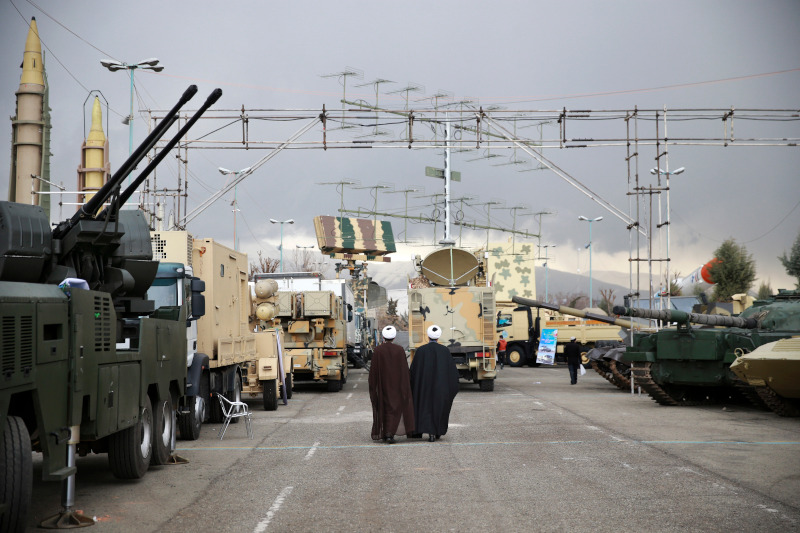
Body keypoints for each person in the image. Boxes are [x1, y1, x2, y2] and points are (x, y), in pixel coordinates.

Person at [409, 324, 459, 442]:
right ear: (438, 337)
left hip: (424, 388)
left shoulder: (420, 351)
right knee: (438, 408)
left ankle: (422, 429)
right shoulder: (445, 351)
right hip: (440, 388)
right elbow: (452, 373)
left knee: (424, 407)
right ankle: (435, 432)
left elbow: (413, 372)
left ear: (428, 336)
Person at [369, 325, 415, 444]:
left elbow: (373, 370)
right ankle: (390, 433)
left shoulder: (378, 350)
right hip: (397, 385)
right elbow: (404, 369)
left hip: (383, 384)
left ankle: (386, 433)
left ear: (383, 337)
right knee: (395, 408)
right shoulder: (399, 350)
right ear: (394, 337)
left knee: (384, 408)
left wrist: (374, 386)